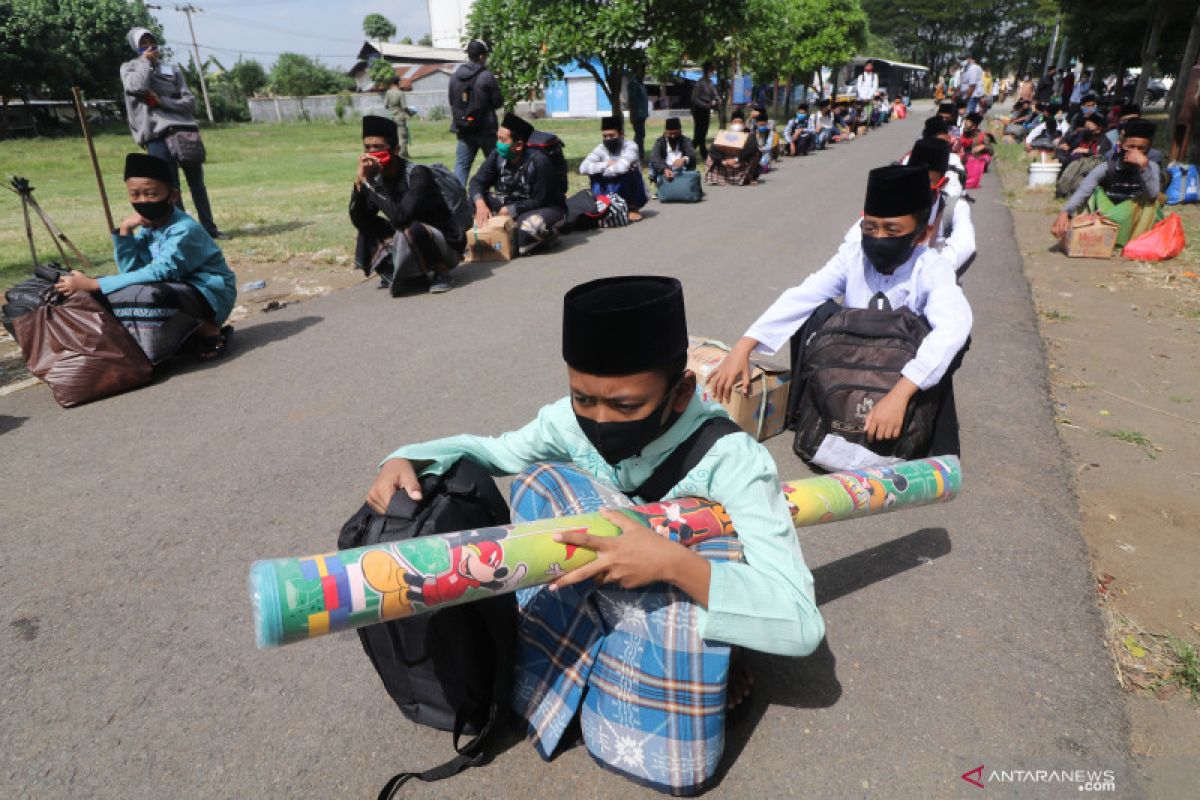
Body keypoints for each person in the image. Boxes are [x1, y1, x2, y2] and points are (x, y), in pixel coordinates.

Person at [365, 275, 824, 794]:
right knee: (544, 479)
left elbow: (800, 622)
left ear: (681, 393)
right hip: (606, 590)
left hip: (679, 593)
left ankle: (722, 657)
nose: (600, 421)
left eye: (626, 406)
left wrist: (670, 563)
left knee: (713, 541)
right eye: (584, 398)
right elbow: (495, 452)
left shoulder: (733, 460)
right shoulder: (567, 423)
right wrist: (407, 456)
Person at [709, 165, 973, 459]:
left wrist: (900, 395)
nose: (879, 238)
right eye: (870, 228)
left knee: (950, 341)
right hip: (852, 359)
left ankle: (917, 427)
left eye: (893, 230)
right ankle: (810, 411)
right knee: (816, 312)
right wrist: (744, 347)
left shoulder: (932, 267)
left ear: (922, 234)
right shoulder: (853, 256)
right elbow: (802, 296)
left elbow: (955, 326)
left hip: (901, 373)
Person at [53, 153, 236, 361]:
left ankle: (210, 331)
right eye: (135, 195)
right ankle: (184, 334)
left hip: (211, 292)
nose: (143, 201)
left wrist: (94, 284)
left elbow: (158, 272)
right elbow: (130, 271)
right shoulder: (151, 226)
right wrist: (124, 232)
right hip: (180, 287)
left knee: (152, 290)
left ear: (173, 195)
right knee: (135, 289)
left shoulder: (184, 230)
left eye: (151, 194)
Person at [120, 27, 222, 239]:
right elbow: (137, 86)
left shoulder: (171, 70)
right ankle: (185, 232)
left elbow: (189, 101)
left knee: (197, 185)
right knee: (171, 187)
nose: (149, 45)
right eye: (143, 42)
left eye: (151, 41)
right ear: (135, 46)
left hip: (184, 133)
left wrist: (162, 101)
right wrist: (145, 62)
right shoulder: (129, 68)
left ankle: (210, 229)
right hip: (157, 136)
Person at [350, 116, 464, 295]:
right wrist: (359, 185)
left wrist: (370, 184)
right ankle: (405, 274)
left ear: (396, 149)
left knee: (412, 228)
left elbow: (400, 217)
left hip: (444, 245)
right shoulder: (377, 178)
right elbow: (360, 220)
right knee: (368, 228)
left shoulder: (418, 174)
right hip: (409, 239)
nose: (371, 152)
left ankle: (441, 273)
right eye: (367, 147)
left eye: (378, 147)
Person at [469, 113, 567, 256]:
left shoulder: (540, 162)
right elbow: (477, 182)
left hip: (540, 208)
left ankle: (550, 235)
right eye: (498, 138)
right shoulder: (496, 155)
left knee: (527, 230)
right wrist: (480, 204)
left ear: (519, 145)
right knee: (468, 205)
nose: (498, 144)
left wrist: (511, 210)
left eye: (503, 140)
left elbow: (541, 200)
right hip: (505, 205)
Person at [1052, 119, 1162, 241]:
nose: (1136, 152)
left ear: (1148, 149)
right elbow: (1083, 191)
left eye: (1141, 148)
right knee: (1090, 194)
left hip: (1136, 221)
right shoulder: (1107, 167)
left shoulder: (1151, 167)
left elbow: (1153, 195)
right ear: (1120, 146)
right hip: (1109, 218)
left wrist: (1144, 168)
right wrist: (1065, 212)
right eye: (1131, 146)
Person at [884, 138, 976, 277]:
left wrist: (923, 272)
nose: (918, 187)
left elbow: (966, 245)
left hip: (932, 278)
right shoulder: (892, 201)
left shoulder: (955, 207)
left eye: (927, 181)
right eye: (914, 180)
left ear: (943, 182)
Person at [449, 39, 504, 186]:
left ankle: (457, 201)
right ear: (481, 57)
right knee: (497, 163)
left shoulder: (455, 76)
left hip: (464, 129)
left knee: (461, 166)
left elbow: (451, 101)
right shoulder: (486, 76)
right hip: (486, 130)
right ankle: (502, 195)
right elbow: (498, 102)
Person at [580, 116, 649, 220]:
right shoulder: (601, 148)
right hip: (609, 189)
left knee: (631, 170)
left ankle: (632, 208)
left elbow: (622, 167)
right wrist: (606, 164)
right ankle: (603, 206)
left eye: (612, 135)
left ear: (621, 134)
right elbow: (583, 168)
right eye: (605, 136)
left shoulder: (631, 146)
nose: (608, 139)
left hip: (628, 189)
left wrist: (602, 170)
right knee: (594, 173)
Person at [648, 117, 697, 187]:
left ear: (680, 132)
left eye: (675, 133)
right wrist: (664, 169)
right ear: (665, 133)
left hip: (681, 169)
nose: (673, 136)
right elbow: (655, 157)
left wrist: (684, 159)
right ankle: (659, 187)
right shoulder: (659, 142)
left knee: (691, 161)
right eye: (670, 134)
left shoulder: (686, 141)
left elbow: (692, 155)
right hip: (665, 168)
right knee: (652, 163)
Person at [691, 63, 719, 159]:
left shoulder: (710, 83)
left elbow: (714, 94)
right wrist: (704, 105)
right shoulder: (700, 83)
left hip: (707, 108)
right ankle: (701, 152)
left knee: (704, 131)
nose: (711, 72)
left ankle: (693, 150)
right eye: (710, 70)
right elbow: (694, 98)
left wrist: (717, 100)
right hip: (699, 109)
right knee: (699, 131)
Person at [382, 75, 412, 158]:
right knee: (403, 136)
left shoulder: (388, 93)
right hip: (400, 117)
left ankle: (396, 153)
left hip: (391, 117)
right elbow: (404, 107)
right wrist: (410, 113)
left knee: (394, 137)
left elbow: (385, 106)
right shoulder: (400, 93)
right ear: (398, 82)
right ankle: (402, 154)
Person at [626, 66, 650, 161]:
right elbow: (631, 100)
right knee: (639, 135)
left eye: (644, 70)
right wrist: (632, 115)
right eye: (642, 70)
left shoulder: (640, 83)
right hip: (637, 114)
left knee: (641, 134)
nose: (644, 72)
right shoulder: (633, 83)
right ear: (636, 71)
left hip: (642, 114)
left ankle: (639, 154)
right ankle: (638, 155)